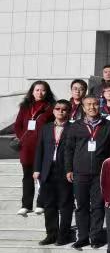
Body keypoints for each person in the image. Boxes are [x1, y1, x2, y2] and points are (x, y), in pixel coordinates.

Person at [65, 95, 110, 248]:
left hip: (100, 173)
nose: (92, 107)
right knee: (81, 206)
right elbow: (69, 149)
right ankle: (83, 237)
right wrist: (69, 169)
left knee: (98, 206)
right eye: (88, 104)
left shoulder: (108, 125)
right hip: (80, 172)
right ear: (83, 107)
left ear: (100, 106)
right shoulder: (76, 126)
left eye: (95, 104)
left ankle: (96, 237)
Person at [33, 99, 74, 245]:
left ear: (69, 112)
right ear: (53, 111)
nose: (60, 111)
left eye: (64, 109)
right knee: (49, 205)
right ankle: (51, 234)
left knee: (65, 204)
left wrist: (72, 169)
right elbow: (40, 149)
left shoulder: (73, 128)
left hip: (65, 171)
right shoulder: (46, 128)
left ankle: (64, 235)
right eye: (57, 109)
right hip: (47, 170)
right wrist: (37, 169)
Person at [14, 80, 55, 216]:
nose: (40, 93)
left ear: (47, 92)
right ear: (32, 92)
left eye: (43, 90)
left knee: (43, 176)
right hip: (27, 148)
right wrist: (23, 139)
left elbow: (52, 126)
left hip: (43, 147)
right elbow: (18, 125)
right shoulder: (25, 107)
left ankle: (41, 204)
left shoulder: (51, 107)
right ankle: (26, 205)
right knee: (27, 176)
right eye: (37, 90)